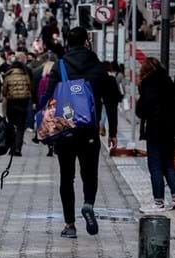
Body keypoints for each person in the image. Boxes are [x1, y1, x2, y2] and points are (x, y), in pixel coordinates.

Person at [41, 27, 119, 238]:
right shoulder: (98, 67)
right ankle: (88, 204)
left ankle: (69, 224)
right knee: (89, 173)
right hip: (90, 130)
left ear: (68, 43)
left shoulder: (61, 66)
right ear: (87, 42)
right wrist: (112, 131)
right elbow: (112, 100)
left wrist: (44, 124)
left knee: (67, 177)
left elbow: (48, 98)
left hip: (65, 129)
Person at [136, 58, 175, 212]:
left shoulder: (147, 84)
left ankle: (159, 202)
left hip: (155, 130)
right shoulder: (168, 82)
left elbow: (142, 110)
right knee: (168, 164)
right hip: (169, 131)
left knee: (155, 167)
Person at [2, 51, 33, 156]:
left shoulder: (8, 74)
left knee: (11, 126)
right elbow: (30, 88)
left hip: (11, 103)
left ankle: (11, 147)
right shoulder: (25, 74)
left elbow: (4, 91)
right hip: (23, 104)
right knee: (20, 127)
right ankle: (18, 148)